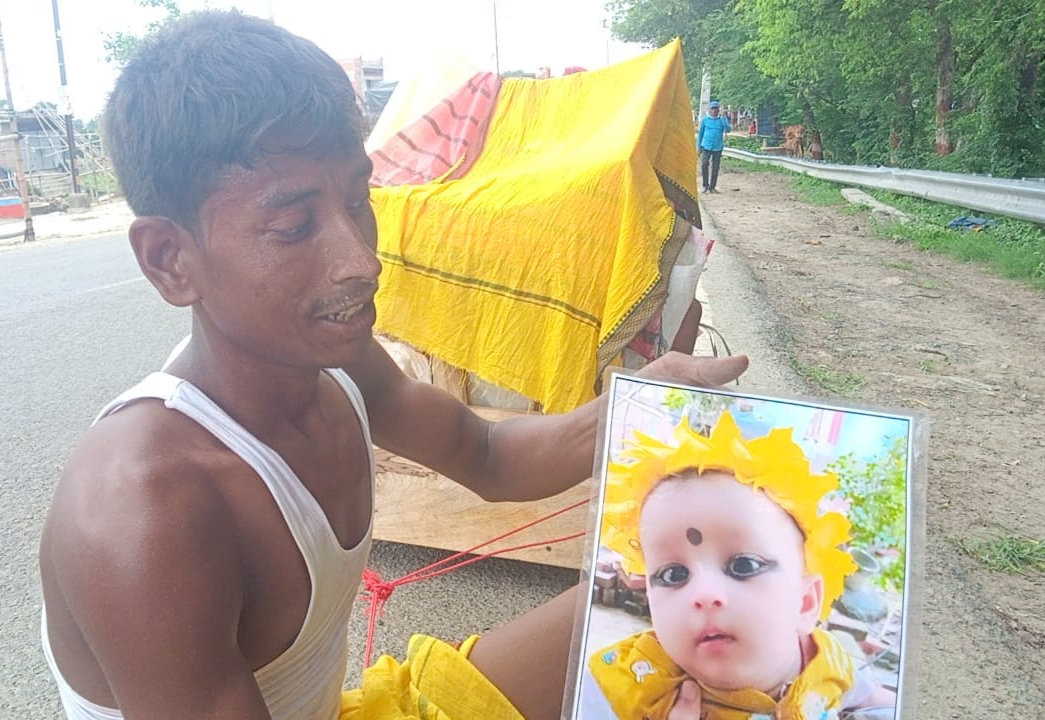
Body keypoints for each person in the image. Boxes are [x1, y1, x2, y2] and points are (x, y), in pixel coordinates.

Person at [37, 11, 748, 720]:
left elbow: (489, 453)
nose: (360, 260)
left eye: (358, 202)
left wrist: (642, 401)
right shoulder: (143, 511)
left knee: (694, 600)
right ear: (170, 260)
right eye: (293, 227)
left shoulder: (340, 370)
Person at [585, 413, 894, 720]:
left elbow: (877, 700)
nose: (704, 594)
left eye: (744, 565)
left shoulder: (826, 660)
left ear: (805, 603)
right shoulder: (626, 687)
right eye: (673, 574)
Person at [697, 100, 731, 194]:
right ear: (709, 110)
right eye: (712, 108)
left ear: (718, 110)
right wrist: (699, 147)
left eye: (716, 108)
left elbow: (728, 130)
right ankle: (705, 185)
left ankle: (712, 187)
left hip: (717, 147)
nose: (714, 110)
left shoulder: (721, 120)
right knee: (704, 164)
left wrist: (724, 117)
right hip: (706, 145)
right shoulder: (705, 120)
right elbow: (701, 134)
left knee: (715, 167)